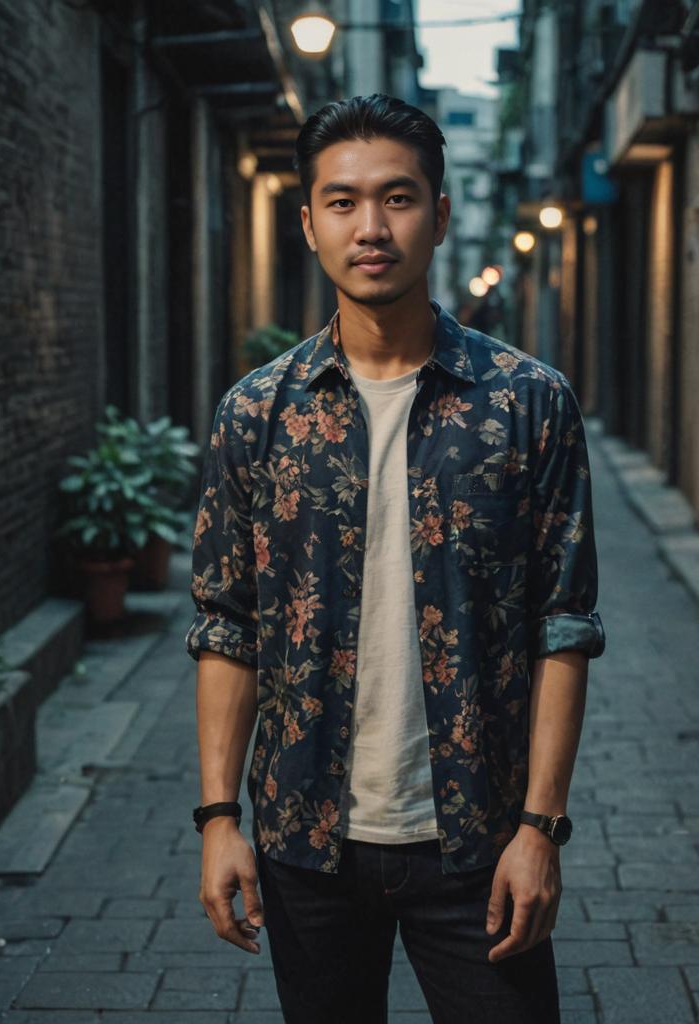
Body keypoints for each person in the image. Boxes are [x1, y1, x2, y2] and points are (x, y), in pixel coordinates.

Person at [187, 93, 606, 1024]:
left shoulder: (527, 404)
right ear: (308, 224)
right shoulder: (259, 413)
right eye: (341, 202)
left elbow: (564, 627)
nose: (370, 227)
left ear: (441, 215)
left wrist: (541, 830)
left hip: (478, 843)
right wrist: (219, 820)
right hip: (306, 843)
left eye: (398, 198)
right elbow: (227, 622)